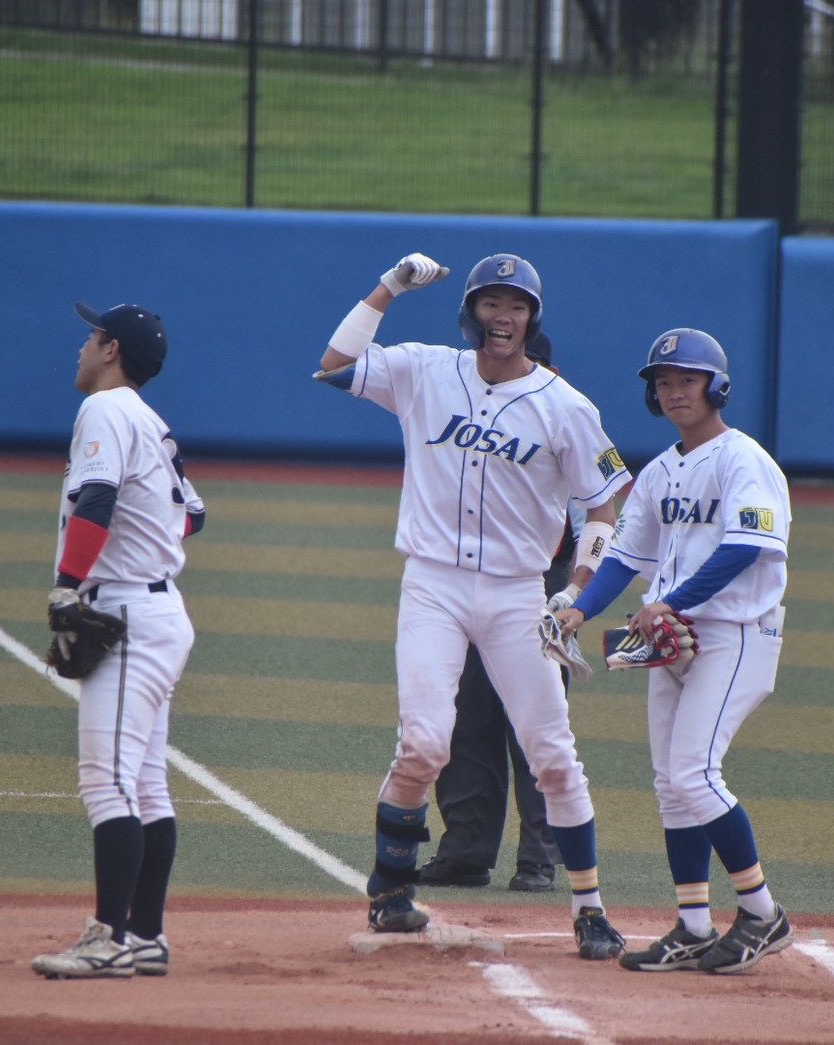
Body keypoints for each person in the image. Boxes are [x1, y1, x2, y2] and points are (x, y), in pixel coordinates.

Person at [314, 251, 629, 959]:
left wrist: (576, 587)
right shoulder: (424, 370)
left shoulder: (566, 405)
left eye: (516, 306)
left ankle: (590, 910)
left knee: (554, 757)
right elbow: (334, 364)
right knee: (424, 744)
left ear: (532, 318)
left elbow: (605, 505)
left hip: (518, 594)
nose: (502, 317)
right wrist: (388, 288)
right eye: (491, 303)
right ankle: (391, 893)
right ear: (471, 312)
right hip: (433, 584)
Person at [552, 327, 794, 975]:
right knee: (670, 784)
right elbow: (624, 557)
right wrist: (578, 610)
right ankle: (692, 924)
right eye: (663, 382)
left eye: (687, 380)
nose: (674, 391)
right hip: (671, 641)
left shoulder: (744, 460)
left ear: (717, 387)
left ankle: (763, 913)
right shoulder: (660, 471)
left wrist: (673, 600)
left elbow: (747, 547)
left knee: (694, 773)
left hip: (735, 635)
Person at [31, 301, 206, 980]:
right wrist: (145, 544)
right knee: (146, 785)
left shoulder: (105, 409)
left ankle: (109, 939)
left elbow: (99, 498)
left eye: (91, 335)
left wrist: (68, 586)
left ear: (111, 350)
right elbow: (192, 514)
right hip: (156, 611)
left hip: (129, 611)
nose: (82, 345)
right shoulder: (149, 420)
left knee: (107, 782)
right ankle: (144, 936)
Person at [419, 331, 566, 894]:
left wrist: (572, 597)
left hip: (539, 583)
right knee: (466, 714)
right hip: (466, 580)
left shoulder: (563, 419)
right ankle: (466, 851)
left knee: (536, 721)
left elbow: (594, 519)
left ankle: (539, 858)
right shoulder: (474, 421)